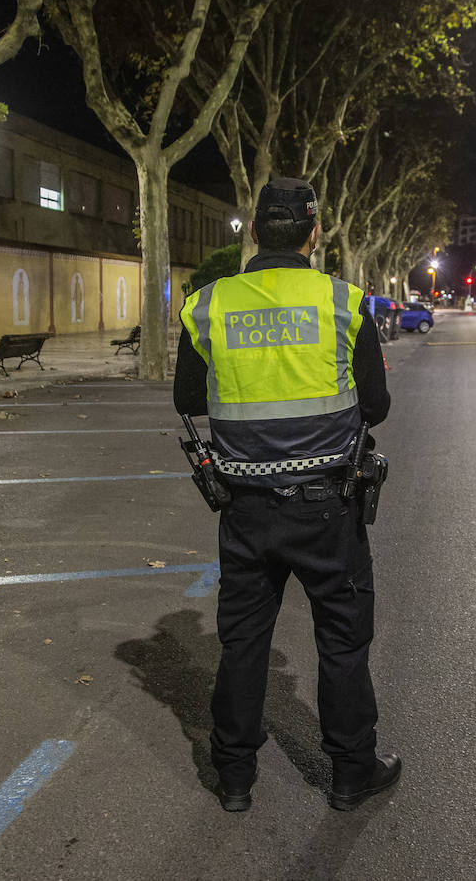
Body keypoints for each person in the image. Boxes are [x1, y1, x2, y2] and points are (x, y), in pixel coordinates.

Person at [173, 177, 400, 813]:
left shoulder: (208, 303)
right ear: (314, 231)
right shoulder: (344, 302)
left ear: (251, 233)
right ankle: (352, 771)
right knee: (342, 639)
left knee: (243, 639)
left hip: (245, 505)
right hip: (328, 505)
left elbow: (189, 399)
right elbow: (375, 408)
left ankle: (236, 776)